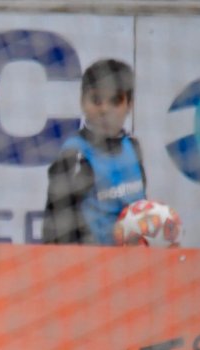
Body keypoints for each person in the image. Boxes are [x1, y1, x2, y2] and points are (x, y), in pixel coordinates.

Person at [42, 58, 147, 245]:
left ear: (129, 105)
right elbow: (54, 234)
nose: (105, 109)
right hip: (88, 261)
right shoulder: (74, 155)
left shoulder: (133, 147)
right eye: (97, 100)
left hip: (134, 260)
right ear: (83, 102)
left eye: (115, 100)